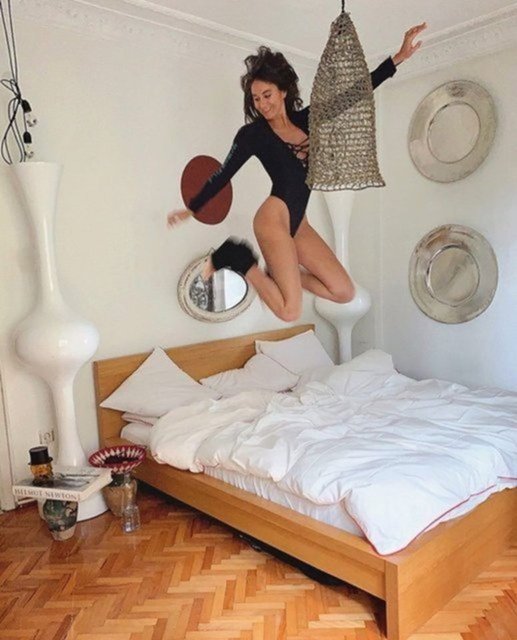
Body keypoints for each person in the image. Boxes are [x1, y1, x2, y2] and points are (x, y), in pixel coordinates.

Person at [168, 23, 427, 322]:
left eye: (267, 95)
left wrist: (397, 58)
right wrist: (192, 208)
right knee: (290, 312)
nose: (262, 104)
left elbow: (351, 95)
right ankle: (237, 257)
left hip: (299, 223)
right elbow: (223, 174)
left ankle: (276, 273)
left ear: (282, 91)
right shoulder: (252, 135)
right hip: (272, 220)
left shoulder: (308, 120)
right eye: (256, 98)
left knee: (344, 291)